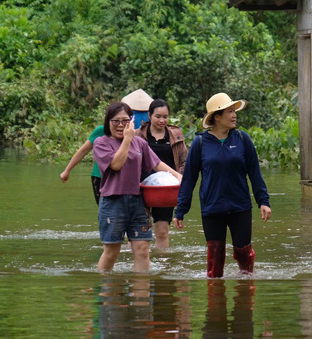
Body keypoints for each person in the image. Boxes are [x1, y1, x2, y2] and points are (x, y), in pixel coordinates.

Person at [173, 93, 272, 278]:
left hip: (240, 206)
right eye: (229, 111)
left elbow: (255, 174)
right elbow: (189, 179)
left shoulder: (242, 139)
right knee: (215, 259)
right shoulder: (200, 143)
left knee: (244, 253)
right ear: (216, 117)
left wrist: (263, 201)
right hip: (212, 208)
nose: (234, 115)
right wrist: (181, 210)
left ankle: (245, 294)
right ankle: (215, 301)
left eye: (234, 111)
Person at [93, 101, 182, 272]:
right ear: (108, 122)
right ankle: (107, 292)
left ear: (131, 121)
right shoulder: (101, 143)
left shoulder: (140, 143)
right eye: (116, 121)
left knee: (142, 250)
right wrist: (127, 139)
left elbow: (156, 164)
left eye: (125, 120)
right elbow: (116, 164)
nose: (121, 125)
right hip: (113, 202)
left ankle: (141, 295)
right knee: (112, 251)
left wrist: (178, 176)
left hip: (138, 202)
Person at [135, 99, 188, 249]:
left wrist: (180, 179)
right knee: (141, 230)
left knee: (162, 231)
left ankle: (162, 267)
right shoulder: (137, 135)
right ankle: (139, 265)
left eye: (165, 117)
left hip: (166, 189)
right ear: (149, 115)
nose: (162, 120)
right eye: (158, 116)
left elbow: (184, 160)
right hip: (140, 188)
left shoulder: (175, 135)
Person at [59, 124, 105, 204]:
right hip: (99, 177)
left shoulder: (129, 132)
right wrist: (67, 170)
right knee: (106, 210)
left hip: (122, 178)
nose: (120, 124)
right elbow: (83, 150)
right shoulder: (102, 130)